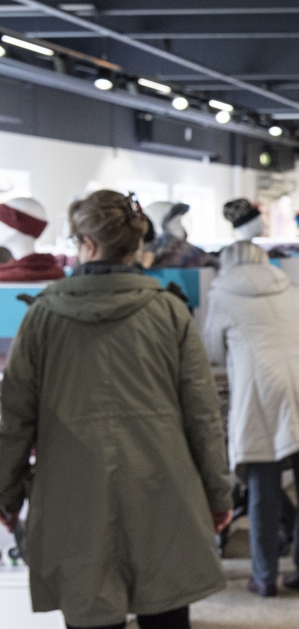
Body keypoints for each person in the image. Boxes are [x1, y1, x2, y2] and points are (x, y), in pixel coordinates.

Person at [0, 190, 232, 629]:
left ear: (85, 243)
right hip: (165, 488)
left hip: (71, 493)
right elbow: (203, 415)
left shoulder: (41, 318)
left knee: (91, 611)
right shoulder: (169, 312)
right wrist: (219, 494)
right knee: (166, 610)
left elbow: (13, 419)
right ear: (135, 245)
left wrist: (6, 493)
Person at [201, 241, 299, 597]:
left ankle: (264, 576)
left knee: (263, 487)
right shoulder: (289, 290)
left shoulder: (222, 295)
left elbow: (211, 350)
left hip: (262, 388)